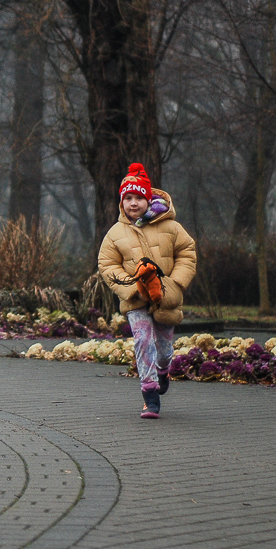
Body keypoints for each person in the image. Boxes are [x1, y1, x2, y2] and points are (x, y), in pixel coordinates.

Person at [98, 162, 197, 419]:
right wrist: (132, 288)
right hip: (136, 300)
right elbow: (107, 264)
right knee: (143, 341)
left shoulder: (171, 227)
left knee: (163, 349)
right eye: (128, 198)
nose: (133, 203)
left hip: (165, 299)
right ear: (122, 202)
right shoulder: (115, 233)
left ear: (148, 198)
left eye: (139, 198)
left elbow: (187, 253)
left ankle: (163, 370)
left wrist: (174, 283)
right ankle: (150, 395)